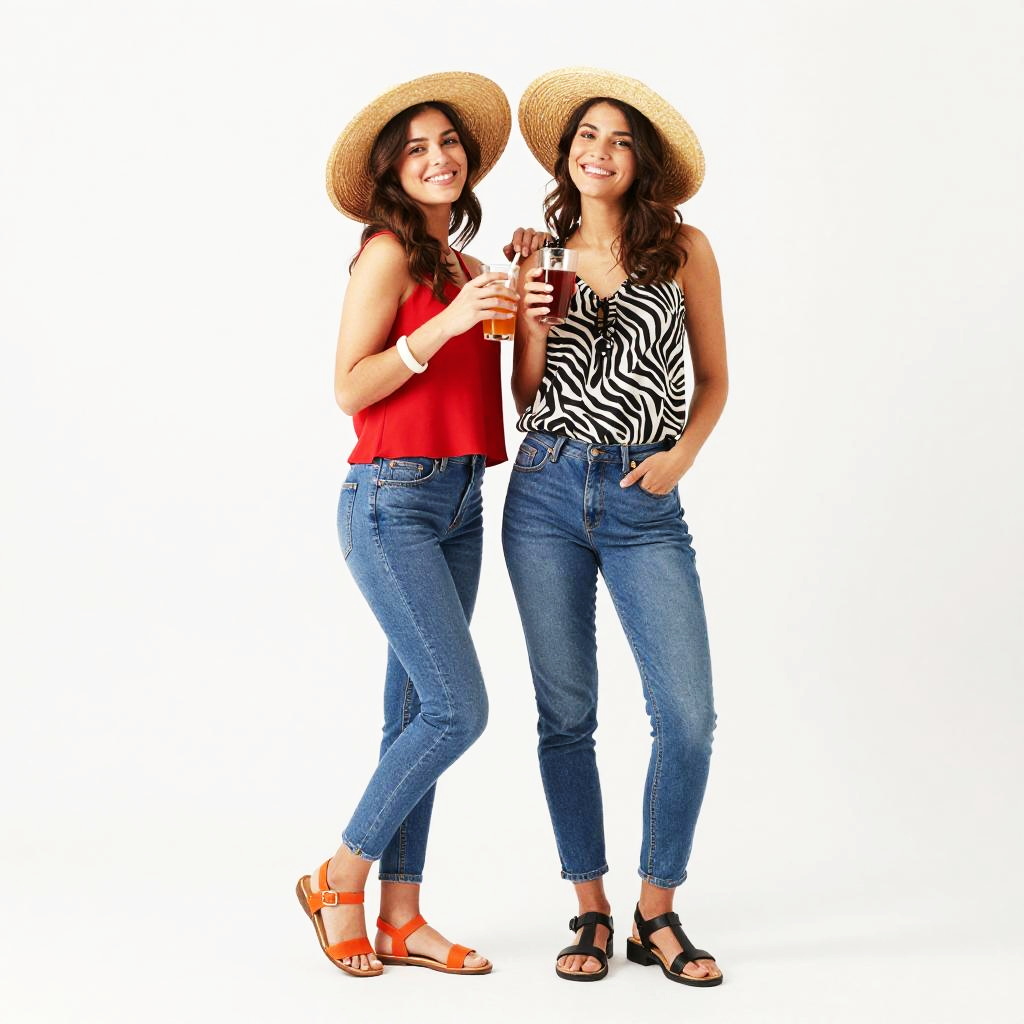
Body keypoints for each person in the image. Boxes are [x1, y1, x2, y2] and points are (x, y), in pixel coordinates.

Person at [296, 71, 545, 979]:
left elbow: (518, 398)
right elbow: (348, 388)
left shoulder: (471, 272)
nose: (437, 157)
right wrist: (440, 331)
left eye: (448, 143)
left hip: (460, 503)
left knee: (412, 713)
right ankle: (339, 877)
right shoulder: (386, 256)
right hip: (390, 500)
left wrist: (521, 294)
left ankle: (401, 915)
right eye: (415, 148)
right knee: (457, 708)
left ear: (469, 159)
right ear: (391, 173)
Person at [503, 68, 728, 987]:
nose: (598, 148)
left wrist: (682, 457)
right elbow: (525, 395)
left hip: (645, 498)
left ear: (642, 162)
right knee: (568, 715)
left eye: (619, 139)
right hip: (546, 489)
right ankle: (591, 910)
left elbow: (714, 379)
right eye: (585, 134)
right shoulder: (538, 255)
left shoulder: (684, 247)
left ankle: (656, 910)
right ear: (566, 153)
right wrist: (526, 309)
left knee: (687, 717)